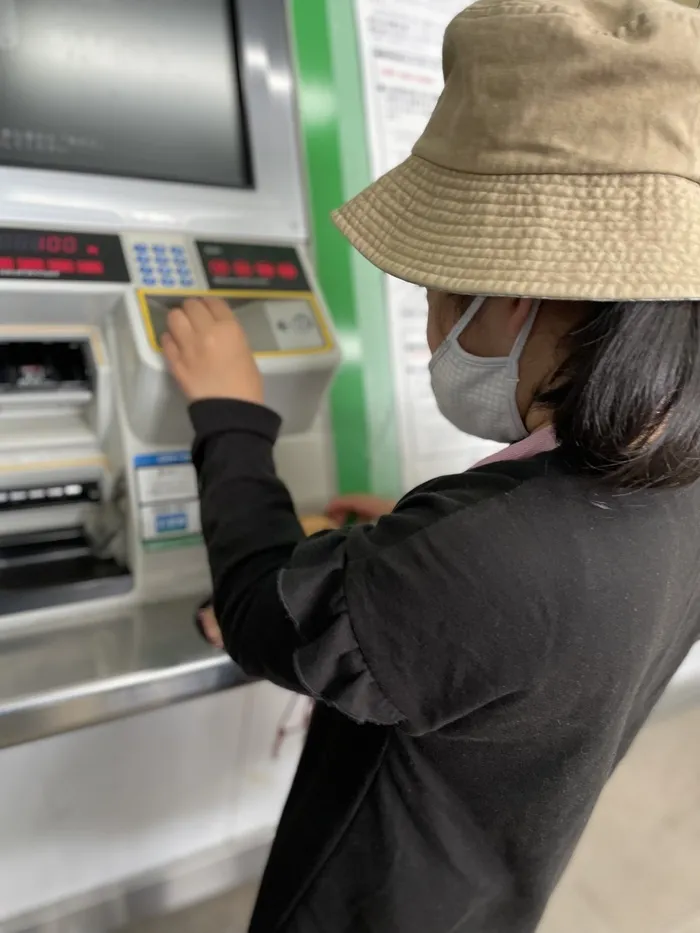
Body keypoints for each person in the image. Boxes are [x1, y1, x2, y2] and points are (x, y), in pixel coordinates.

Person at [162, 0, 700, 929]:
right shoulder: (671, 474)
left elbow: (257, 613)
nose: (430, 318)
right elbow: (498, 624)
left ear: (517, 298)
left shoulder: (491, 557)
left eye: (436, 286)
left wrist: (231, 413)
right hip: (496, 874)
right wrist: (405, 552)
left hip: (373, 899)